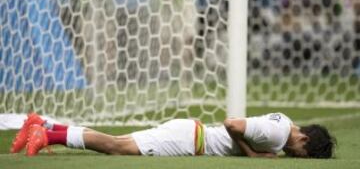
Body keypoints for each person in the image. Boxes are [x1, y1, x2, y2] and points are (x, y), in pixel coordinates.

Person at [10, 112, 335, 158]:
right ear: (304, 140)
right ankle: (47, 136)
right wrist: (252, 155)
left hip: (190, 134)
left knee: (117, 141)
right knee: (116, 147)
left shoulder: (284, 124)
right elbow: (233, 123)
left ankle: (45, 125)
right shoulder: (278, 134)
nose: (294, 158)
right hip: (188, 140)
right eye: (300, 155)